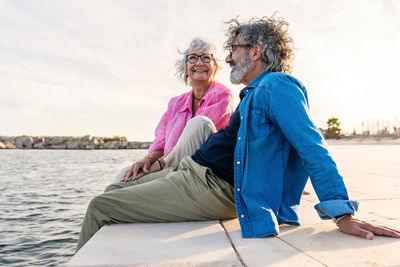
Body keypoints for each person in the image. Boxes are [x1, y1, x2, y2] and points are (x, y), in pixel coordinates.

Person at [76, 16, 400, 252]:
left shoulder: (278, 87)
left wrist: (341, 211)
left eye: (233, 49)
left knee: (99, 206)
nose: (228, 57)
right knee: (115, 187)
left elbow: (311, 145)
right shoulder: (255, 93)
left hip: (208, 186)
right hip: (192, 174)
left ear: (256, 51)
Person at [120, 38, 235, 181]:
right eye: (192, 58)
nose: (199, 62)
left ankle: (156, 174)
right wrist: (146, 161)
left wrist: (158, 165)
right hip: (166, 168)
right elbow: (160, 143)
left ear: (215, 66)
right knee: (126, 173)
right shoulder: (175, 103)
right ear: (186, 67)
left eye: (206, 57)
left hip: (201, 168)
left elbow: (195, 136)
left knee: (200, 123)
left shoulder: (222, 95)